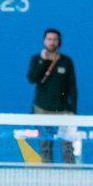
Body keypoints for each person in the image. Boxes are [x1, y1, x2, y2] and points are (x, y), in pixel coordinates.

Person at [27, 27, 77, 164]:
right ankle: (47, 173)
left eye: (55, 39)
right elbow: (32, 78)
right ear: (44, 41)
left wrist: (73, 110)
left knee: (67, 145)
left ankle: (70, 174)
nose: (52, 42)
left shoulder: (66, 61)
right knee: (45, 145)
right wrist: (44, 61)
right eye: (49, 39)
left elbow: (72, 86)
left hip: (63, 110)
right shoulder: (36, 59)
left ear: (59, 42)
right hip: (42, 108)